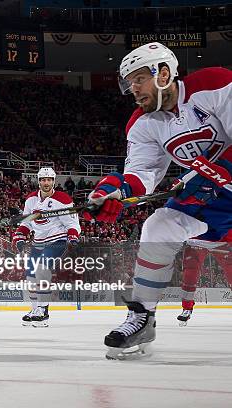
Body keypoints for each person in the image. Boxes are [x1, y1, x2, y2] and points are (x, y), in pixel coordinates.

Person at [85, 42, 231, 359]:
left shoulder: (214, 83)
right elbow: (141, 175)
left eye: (138, 79)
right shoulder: (143, 124)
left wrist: (213, 172)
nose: (133, 90)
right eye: (128, 83)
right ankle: (142, 317)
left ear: (163, 73)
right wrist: (112, 193)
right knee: (159, 227)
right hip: (217, 196)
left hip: (217, 184)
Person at [12, 167, 81, 327]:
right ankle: (35, 309)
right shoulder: (31, 200)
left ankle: (43, 311)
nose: (46, 182)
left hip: (57, 240)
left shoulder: (63, 199)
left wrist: (72, 237)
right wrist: (20, 236)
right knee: (30, 275)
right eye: (43, 179)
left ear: (54, 181)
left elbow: (72, 223)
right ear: (39, 181)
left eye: (49, 179)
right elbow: (26, 222)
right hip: (38, 241)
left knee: (42, 269)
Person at [177, 230, 231, 326]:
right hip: (197, 239)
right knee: (189, 275)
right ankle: (186, 308)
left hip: (223, 238)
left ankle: (187, 308)